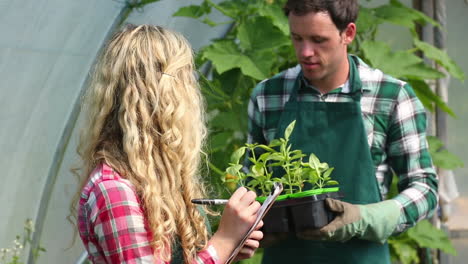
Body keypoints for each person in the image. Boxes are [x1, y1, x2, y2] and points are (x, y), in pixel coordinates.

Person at [247, 0, 438, 263]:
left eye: (318, 40)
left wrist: (364, 219)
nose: (305, 52)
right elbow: (251, 182)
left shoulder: (390, 96)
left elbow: (424, 188)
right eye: (297, 38)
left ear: (348, 33)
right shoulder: (269, 96)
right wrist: (254, 227)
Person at [70, 24, 263, 264]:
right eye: (186, 77)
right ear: (165, 93)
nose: (193, 91)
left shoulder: (149, 181)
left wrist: (229, 249)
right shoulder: (114, 190)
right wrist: (223, 242)